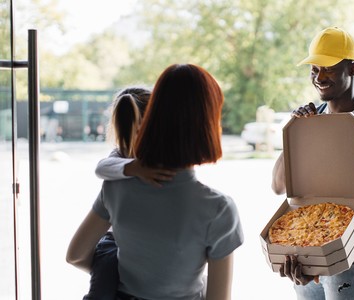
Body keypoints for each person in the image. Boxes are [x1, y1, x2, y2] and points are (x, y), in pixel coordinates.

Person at [67, 63, 244, 300]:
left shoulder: (116, 187)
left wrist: (123, 273)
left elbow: (76, 255)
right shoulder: (219, 209)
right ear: (209, 125)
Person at [271, 26, 354, 300]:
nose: (319, 76)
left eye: (328, 68)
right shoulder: (310, 122)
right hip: (305, 253)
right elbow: (279, 186)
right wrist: (296, 132)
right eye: (314, 69)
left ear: (352, 68)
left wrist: (319, 263)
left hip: (351, 262)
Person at [84, 86, 176, 299]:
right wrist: (132, 168)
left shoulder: (166, 154)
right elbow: (101, 167)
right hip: (116, 241)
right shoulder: (122, 154)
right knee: (105, 274)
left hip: (154, 242)